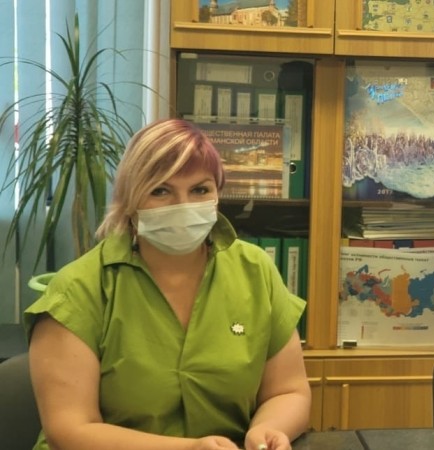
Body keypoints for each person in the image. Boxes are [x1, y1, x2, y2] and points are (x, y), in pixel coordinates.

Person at [25, 118, 312, 450]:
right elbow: (70, 430)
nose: (183, 206)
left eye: (200, 190)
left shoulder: (255, 270)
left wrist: (268, 429)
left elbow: (288, 391)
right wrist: (190, 449)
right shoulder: (78, 288)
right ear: (130, 201)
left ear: (218, 193)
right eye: (160, 191)